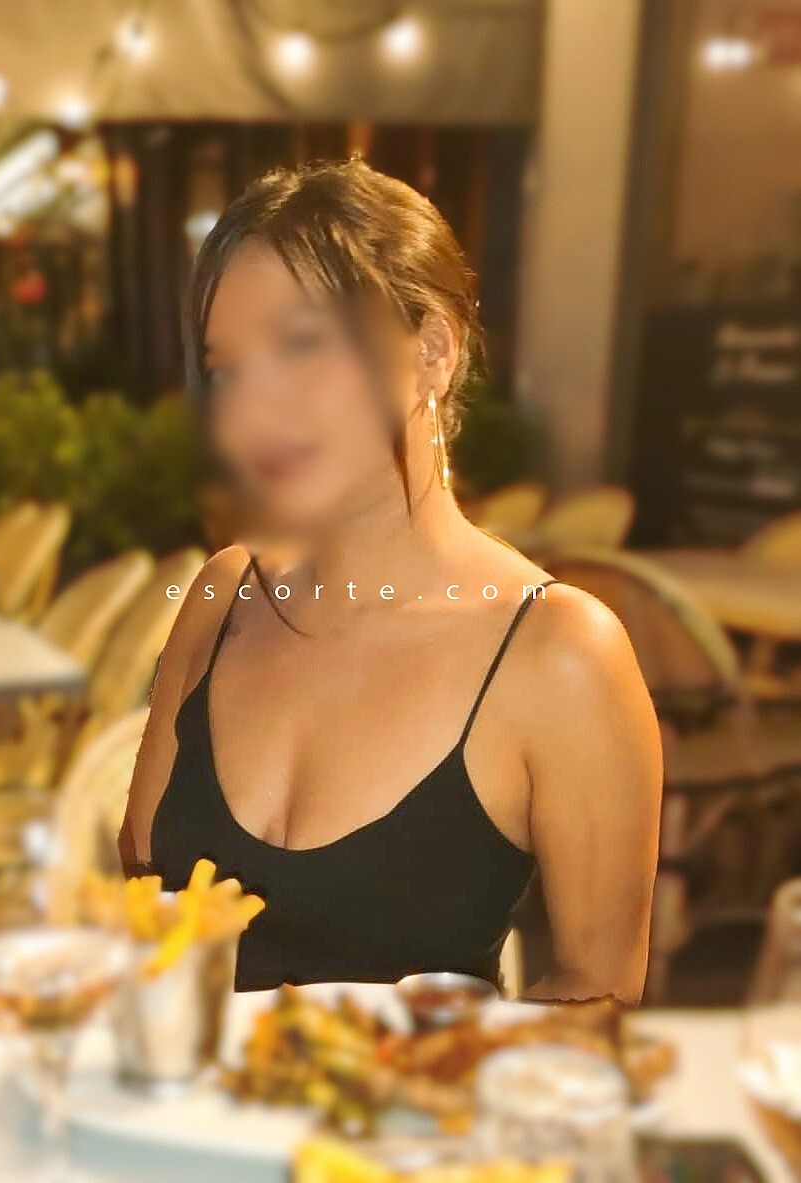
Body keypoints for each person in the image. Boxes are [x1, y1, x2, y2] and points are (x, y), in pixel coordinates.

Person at [118, 158, 663, 1002]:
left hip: (412, 1090)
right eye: (229, 369)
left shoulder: (561, 653)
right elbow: (141, 879)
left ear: (432, 352)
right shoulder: (223, 596)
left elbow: (597, 989)